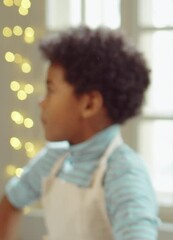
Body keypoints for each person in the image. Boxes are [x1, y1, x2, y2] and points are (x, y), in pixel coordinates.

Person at [0, 26, 159, 240]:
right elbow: (10, 201)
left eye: (51, 89)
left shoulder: (124, 174)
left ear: (89, 104)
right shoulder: (54, 159)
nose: (41, 102)